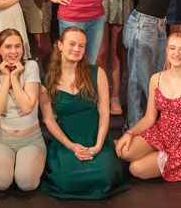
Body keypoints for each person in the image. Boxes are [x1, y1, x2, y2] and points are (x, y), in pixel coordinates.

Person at [115, 33, 181, 185]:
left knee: (136, 168)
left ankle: (155, 157)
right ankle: (149, 152)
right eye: (172, 48)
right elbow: (150, 117)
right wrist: (129, 133)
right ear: (166, 51)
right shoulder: (156, 79)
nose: (176, 54)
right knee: (124, 151)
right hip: (160, 133)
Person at [38, 27, 128, 199]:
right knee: (65, 180)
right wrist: (71, 146)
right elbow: (49, 120)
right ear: (60, 45)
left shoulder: (97, 73)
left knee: (106, 176)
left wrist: (99, 145)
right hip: (67, 141)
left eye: (81, 46)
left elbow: (104, 113)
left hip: (95, 137)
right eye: (72, 44)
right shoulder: (46, 81)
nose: (77, 49)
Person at [125, 0, 174, 128]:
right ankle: (135, 127)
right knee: (138, 79)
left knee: (156, 77)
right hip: (143, 26)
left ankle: (152, 121)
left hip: (159, 26)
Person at [0, 29, 45, 191]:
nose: (13, 51)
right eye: (8, 47)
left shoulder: (31, 66)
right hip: (3, 139)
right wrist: (6, 80)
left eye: (17, 46)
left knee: (26, 183)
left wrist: (15, 78)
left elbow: (27, 107)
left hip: (30, 139)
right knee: (0, 183)